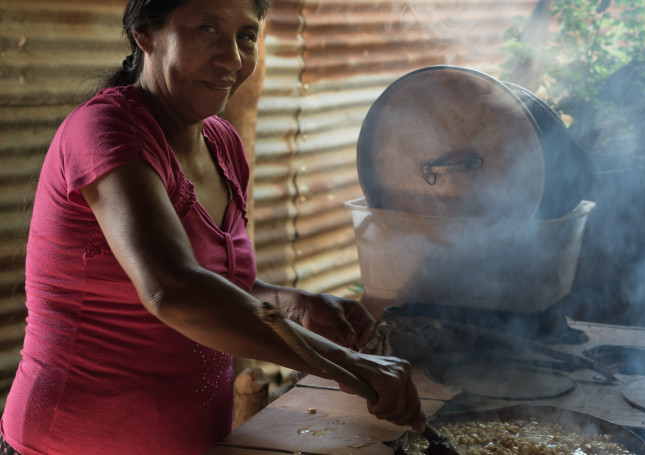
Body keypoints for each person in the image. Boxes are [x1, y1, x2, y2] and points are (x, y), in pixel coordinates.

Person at [0, 0, 425, 453]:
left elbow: (219, 286)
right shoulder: (106, 129)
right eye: (207, 28)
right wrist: (347, 366)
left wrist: (291, 305)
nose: (232, 58)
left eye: (246, 35)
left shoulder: (222, 142)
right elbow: (173, 288)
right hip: (69, 443)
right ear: (145, 34)